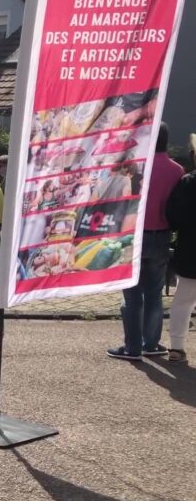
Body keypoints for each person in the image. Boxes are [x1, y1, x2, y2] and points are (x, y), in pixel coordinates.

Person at [108, 123, 184, 360]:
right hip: (161, 234)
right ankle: (151, 343)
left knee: (132, 295)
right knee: (154, 293)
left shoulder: (133, 167)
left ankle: (132, 347)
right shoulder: (177, 170)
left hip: (133, 234)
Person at [166, 151, 196, 363]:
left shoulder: (186, 183)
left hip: (190, 250)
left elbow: (173, 216)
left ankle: (176, 347)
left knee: (182, 303)